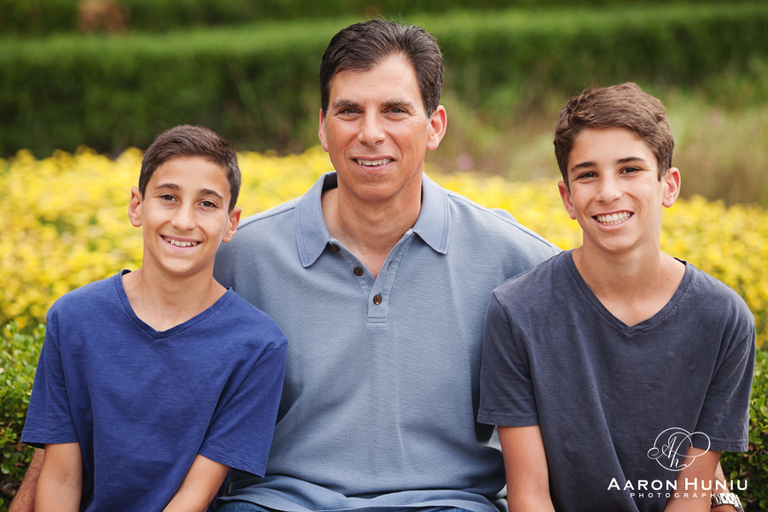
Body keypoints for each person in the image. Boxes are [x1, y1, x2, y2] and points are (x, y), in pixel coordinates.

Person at [210, 20, 559, 512]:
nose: (370, 133)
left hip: (450, 505)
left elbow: (604, 383)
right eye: (349, 111)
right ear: (322, 127)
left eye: (395, 110)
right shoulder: (240, 258)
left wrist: (708, 487)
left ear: (434, 126)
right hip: (277, 505)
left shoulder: (516, 259)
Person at [478, 83, 755, 512]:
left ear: (669, 185)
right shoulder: (517, 311)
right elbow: (529, 495)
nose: (608, 191)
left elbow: (693, 495)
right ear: (568, 198)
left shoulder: (723, 319)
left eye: (630, 169)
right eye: (588, 174)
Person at [18, 125, 288, 512]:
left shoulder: (259, 346)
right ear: (136, 206)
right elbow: (61, 475)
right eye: (167, 197)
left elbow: (195, 496)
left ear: (231, 223)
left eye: (207, 204)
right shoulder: (73, 318)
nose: (183, 220)